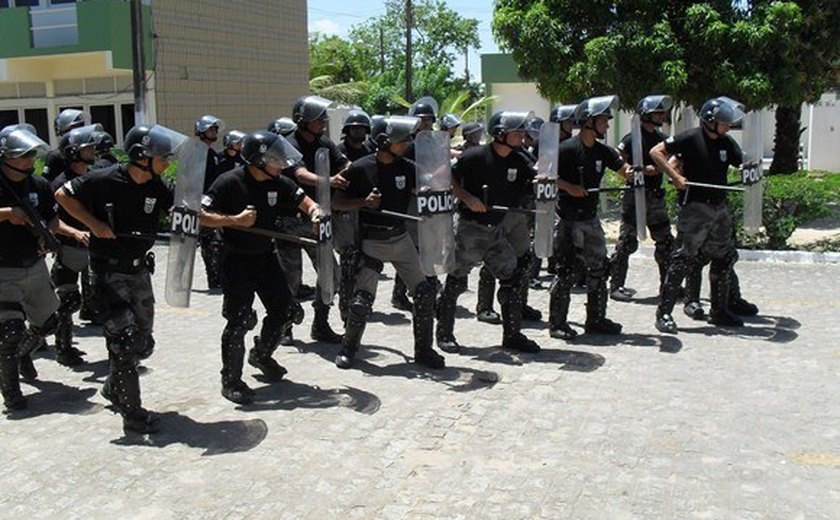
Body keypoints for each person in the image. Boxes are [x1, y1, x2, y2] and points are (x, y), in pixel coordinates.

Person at [55, 124, 185, 433]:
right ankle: (132, 413)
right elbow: (62, 195)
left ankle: (114, 387)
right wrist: (93, 223)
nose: (166, 162)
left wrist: (226, 220)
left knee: (143, 344)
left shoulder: (157, 186)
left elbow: (183, 212)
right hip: (107, 273)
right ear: (141, 156)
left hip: (140, 272)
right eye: (161, 156)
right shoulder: (102, 179)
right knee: (125, 342)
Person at [200, 131, 320, 404]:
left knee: (286, 311)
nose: (282, 163)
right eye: (276, 158)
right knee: (239, 319)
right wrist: (234, 220)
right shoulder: (228, 182)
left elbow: (305, 201)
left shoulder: (279, 182)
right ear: (257, 160)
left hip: (266, 256)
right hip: (236, 260)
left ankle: (262, 355)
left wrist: (314, 212)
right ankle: (231, 380)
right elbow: (198, 215)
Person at [333, 115, 446, 369]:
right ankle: (348, 349)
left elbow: (424, 186)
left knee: (425, 293)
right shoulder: (360, 167)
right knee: (362, 301)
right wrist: (363, 203)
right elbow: (336, 202)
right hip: (371, 241)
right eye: (402, 139)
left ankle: (424, 351)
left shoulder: (407, 167)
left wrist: (429, 190)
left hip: (400, 237)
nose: (407, 142)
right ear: (384, 141)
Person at [436, 110, 542, 354]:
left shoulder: (519, 158)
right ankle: (444, 333)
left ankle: (513, 335)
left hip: (496, 231)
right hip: (469, 229)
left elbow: (534, 177)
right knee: (456, 281)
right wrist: (466, 196)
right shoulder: (474, 156)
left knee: (513, 278)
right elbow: (446, 176)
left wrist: (543, 182)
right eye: (517, 132)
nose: (522, 135)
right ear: (501, 134)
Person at [650, 97, 748, 333]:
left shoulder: (727, 142)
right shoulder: (690, 137)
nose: (728, 126)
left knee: (724, 258)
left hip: (720, 208)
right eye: (723, 122)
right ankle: (664, 313)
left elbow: (742, 162)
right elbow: (656, 152)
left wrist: (749, 170)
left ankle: (719, 310)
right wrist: (674, 176)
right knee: (681, 260)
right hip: (695, 207)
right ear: (710, 122)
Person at [548, 95, 627, 340]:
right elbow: (544, 176)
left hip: (591, 219)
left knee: (599, 269)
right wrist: (568, 187)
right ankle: (557, 324)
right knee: (567, 272)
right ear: (589, 121)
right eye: (603, 119)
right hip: (567, 219)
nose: (607, 124)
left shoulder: (604, 151)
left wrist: (637, 173)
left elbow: (625, 170)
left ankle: (596, 318)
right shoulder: (566, 149)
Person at [0, 125, 60, 411]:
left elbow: (54, 219)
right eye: (23, 155)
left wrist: (46, 234)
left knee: (49, 322)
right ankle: (11, 389)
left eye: (32, 154)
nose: (29, 160)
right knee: (9, 330)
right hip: (3, 269)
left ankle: (21, 352)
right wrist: (6, 214)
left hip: (34, 265)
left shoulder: (39, 185)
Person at [280, 94, 347, 345]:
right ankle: (283, 325)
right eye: (317, 118)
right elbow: (299, 173)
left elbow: (343, 164)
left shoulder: (325, 143)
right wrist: (328, 181)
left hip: (319, 220)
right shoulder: (287, 143)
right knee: (291, 278)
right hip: (289, 219)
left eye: (322, 117)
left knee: (331, 273)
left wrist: (356, 170)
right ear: (302, 120)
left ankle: (320, 324)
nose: (322, 122)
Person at [608, 95, 676, 301]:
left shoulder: (663, 139)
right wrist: (635, 171)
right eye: (657, 112)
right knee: (627, 241)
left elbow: (674, 157)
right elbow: (618, 160)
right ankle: (616, 285)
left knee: (665, 241)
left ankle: (668, 285)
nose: (662, 115)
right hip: (634, 194)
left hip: (655, 196)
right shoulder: (631, 139)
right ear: (646, 114)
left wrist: (667, 168)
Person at [49, 124, 104, 366]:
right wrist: (75, 232)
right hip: (69, 248)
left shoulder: (91, 179)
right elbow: (51, 219)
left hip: (91, 248)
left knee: (95, 295)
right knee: (67, 300)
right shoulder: (61, 183)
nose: (92, 150)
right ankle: (62, 347)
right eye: (87, 148)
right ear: (73, 152)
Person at [335, 109, 374, 322]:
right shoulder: (339, 151)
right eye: (354, 128)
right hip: (344, 209)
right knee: (348, 258)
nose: (358, 131)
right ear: (347, 130)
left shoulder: (369, 150)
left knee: (365, 257)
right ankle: (345, 306)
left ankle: (360, 301)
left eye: (361, 128)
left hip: (366, 209)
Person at [195, 115, 225, 290]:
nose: (214, 131)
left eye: (215, 129)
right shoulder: (198, 152)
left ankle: (218, 276)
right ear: (201, 131)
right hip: (202, 204)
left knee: (218, 243)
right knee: (210, 243)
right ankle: (214, 278)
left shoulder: (211, 153)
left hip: (214, 203)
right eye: (210, 129)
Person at [42, 108, 88, 181]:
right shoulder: (55, 156)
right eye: (76, 127)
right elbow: (48, 182)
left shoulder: (85, 152)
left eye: (81, 126)